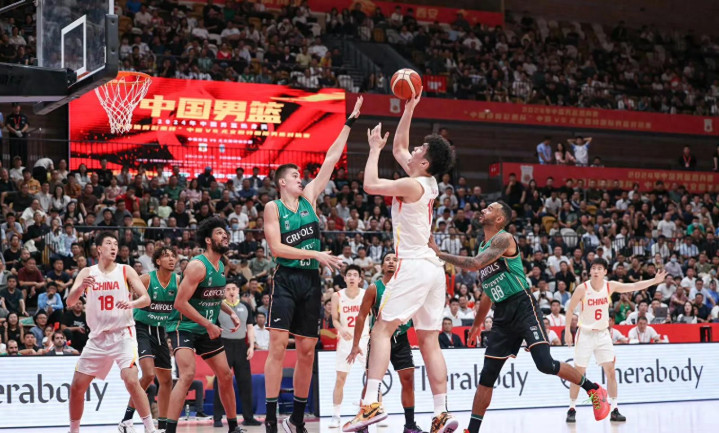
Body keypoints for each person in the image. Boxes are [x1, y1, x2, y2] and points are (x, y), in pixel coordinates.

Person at [428, 202, 611, 433]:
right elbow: (487, 294)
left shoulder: (505, 239)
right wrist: (476, 325)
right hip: (502, 315)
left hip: (523, 306)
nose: (484, 209)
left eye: (490, 208)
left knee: (545, 364)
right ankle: (471, 431)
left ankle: (594, 389)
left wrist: (439, 253)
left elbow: (475, 264)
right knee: (487, 375)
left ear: (499, 219)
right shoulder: (483, 247)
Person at [345, 92, 457, 433]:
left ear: (424, 163)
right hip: (432, 269)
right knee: (429, 340)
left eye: (420, 149)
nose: (414, 149)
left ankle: (371, 404)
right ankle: (442, 413)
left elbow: (369, 184)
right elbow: (400, 147)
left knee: (382, 329)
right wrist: (409, 107)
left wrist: (373, 149)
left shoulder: (411, 184)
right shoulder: (429, 181)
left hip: (413, 264)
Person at [263, 97, 363, 433]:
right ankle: (271, 419)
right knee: (278, 346)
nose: (300, 178)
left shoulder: (309, 198)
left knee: (307, 350)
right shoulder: (273, 208)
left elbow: (331, 158)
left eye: (300, 175)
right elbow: (276, 248)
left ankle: (296, 418)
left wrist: (349, 122)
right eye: (294, 176)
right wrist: (316, 255)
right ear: (282, 182)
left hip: (310, 282)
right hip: (287, 278)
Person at [65, 232, 155, 433]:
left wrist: (131, 303)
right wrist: (80, 289)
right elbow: (70, 302)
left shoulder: (125, 270)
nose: (114, 247)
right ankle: (74, 430)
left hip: (122, 334)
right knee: (77, 387)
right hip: (97, 338)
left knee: (131, 379)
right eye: (109, 243)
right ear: (99, 249)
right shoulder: (87, 272)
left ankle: (150, 429)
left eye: (115, 244)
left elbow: (146, 299)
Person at [165, 218, 243, 433]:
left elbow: (213, 296)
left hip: (206, 328)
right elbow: (180, 303)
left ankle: (233, 427)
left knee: (225, 375)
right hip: (183, 326)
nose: (225, 235)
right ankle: (170, 430)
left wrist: (230, 312)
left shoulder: (221, 265)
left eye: (225, 233)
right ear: (208, 240)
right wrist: (209, 324)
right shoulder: (198, 266)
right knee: (187, 375)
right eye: (219, 233)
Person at [564, 258, 666, 423]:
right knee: (578, 374)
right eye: (593, 268)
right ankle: (572, 408)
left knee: (611, 371)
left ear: (605, 271)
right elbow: (570, 310)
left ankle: (614, 409)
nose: (596, 271)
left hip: (603, 334)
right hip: (585, 334)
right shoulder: (582, 288)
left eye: (599, 268)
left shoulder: (610, 286)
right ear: (590, 271)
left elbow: (634, 286)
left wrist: (653, 281)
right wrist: (568, 330)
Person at [347, 253, 424, 433]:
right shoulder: (374, 288)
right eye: (387, 260)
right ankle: (362, 425)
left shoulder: (406, 288)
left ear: (399, 265)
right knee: (371, 383)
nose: (391, 262)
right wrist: (355, 344)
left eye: (394, 259)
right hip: (379, 339)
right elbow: (361, 316)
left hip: (400, 338)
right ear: (382, 266)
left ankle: (410, 425)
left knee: (408, 380)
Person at [118, 247, 178, 433]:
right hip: (141, 328)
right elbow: (125, 291)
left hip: (160, 330)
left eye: (173, 256)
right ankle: (127, 419)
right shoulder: (147, 279)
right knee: (149, 375)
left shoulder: (177, 281)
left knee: (166, 380)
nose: (171, 259)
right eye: (166, 256)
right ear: (158, 261)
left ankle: (163, 425)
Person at [213, 283, 261, 427]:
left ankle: (248, 417)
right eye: (228, 289)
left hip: (241, 346)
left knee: (245, 383)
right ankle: (217, 418)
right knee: (221, 381)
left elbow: (250, 327)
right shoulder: (218, 307)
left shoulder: (245, 306)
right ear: (224, 292)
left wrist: (251, 346)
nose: (231, 291)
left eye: (233, 289)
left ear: (238, 291)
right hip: (224, 346)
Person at [329, 265, 369, 429]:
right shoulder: (337, 296)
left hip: (364, 340)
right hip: (346, 341)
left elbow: (374, 315)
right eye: (349, 275)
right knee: (340, 378)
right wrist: (341, 329)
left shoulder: (367, 294)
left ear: (360, 279)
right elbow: (334, 319)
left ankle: (376, 412)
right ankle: (336, 415)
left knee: (373, 378)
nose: (352, 277)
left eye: (355, 275)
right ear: (344, 278)